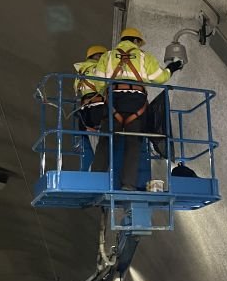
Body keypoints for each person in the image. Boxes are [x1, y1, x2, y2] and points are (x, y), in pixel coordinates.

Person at [91, 28, 183, 190]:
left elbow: (98, 83)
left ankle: (95, 181)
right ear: (136, 41)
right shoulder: (144, 56)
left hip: (113, 101)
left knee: (105, 142)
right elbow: (159, 78)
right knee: (133, 144)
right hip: (136, 102)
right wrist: (172, 67)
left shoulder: (107, 56)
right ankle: (128, 184)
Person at [73, 45, 108, 168]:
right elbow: (104, 86)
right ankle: (99, 169)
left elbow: (77, 90)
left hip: (85, 111)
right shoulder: (97, 68)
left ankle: (91, 169)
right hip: (98, 109)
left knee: (91, 144)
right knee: (102, 143)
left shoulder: (81, 72)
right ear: (98, 56)